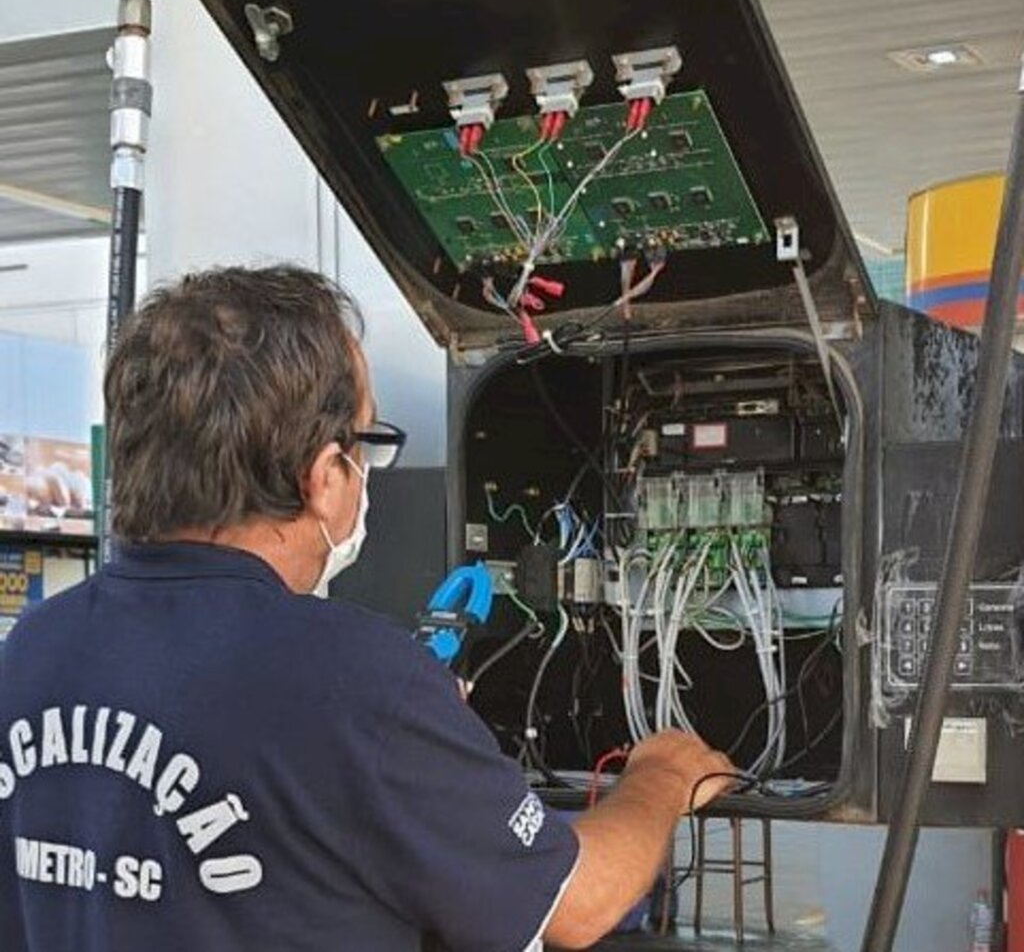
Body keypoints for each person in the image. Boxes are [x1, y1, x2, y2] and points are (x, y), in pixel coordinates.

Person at [0, 265, 734, 951]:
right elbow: (578, 902)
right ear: (323, 474)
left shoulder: (31, 650)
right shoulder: (352, 676)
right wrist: (664, 777)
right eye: (366, 444)